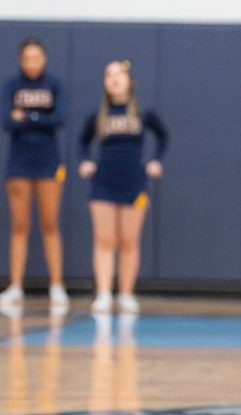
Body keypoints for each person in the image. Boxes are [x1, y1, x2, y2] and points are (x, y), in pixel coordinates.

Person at [78, 60, 167, 315]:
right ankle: (104, 293)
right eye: (109, 75)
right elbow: (82, 142)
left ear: (130, 81)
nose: (114, 79)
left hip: (134, 182)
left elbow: (163, 136)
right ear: (105, 82)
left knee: (129, 241)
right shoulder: (98, 114)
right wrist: (84, 161)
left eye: (119, 74)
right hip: (103, 182)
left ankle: (126, 294)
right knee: (104, 240)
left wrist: (156, 161)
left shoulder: (142, 112)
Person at [0, 38, 68, 313]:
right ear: (20, 60)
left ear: (44, 59)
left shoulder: (54, 84)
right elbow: (6, 121)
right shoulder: (11, 85)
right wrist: (39, 117)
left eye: (36, 57)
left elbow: (60, 118)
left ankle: (57, 286)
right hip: (19, 163)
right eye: (27, 58)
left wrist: (27, 117)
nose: (32, 63)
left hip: (48, 162)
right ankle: (15, 286)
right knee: (19, 225)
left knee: (50, 224)